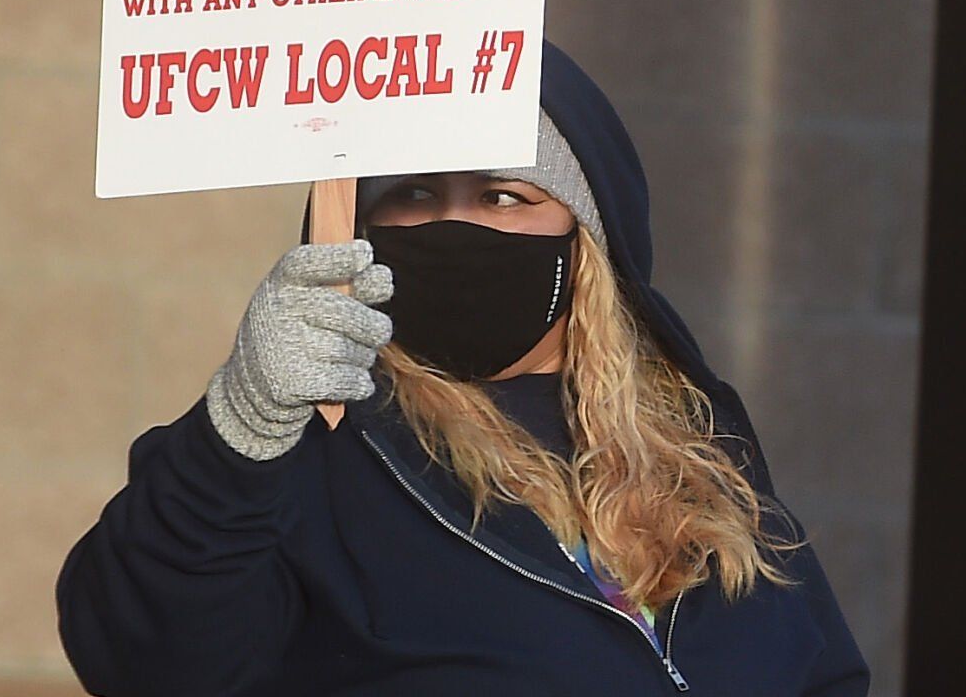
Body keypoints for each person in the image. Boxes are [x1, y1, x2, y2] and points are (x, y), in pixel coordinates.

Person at [57, 41, 870, 695]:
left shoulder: (694, 445)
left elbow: (821, 670)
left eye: (502, 196)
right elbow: (146, 656)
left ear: (587, 237)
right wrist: (241, 428)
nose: (454, 225)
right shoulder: (314, 449)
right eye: (414, 194)